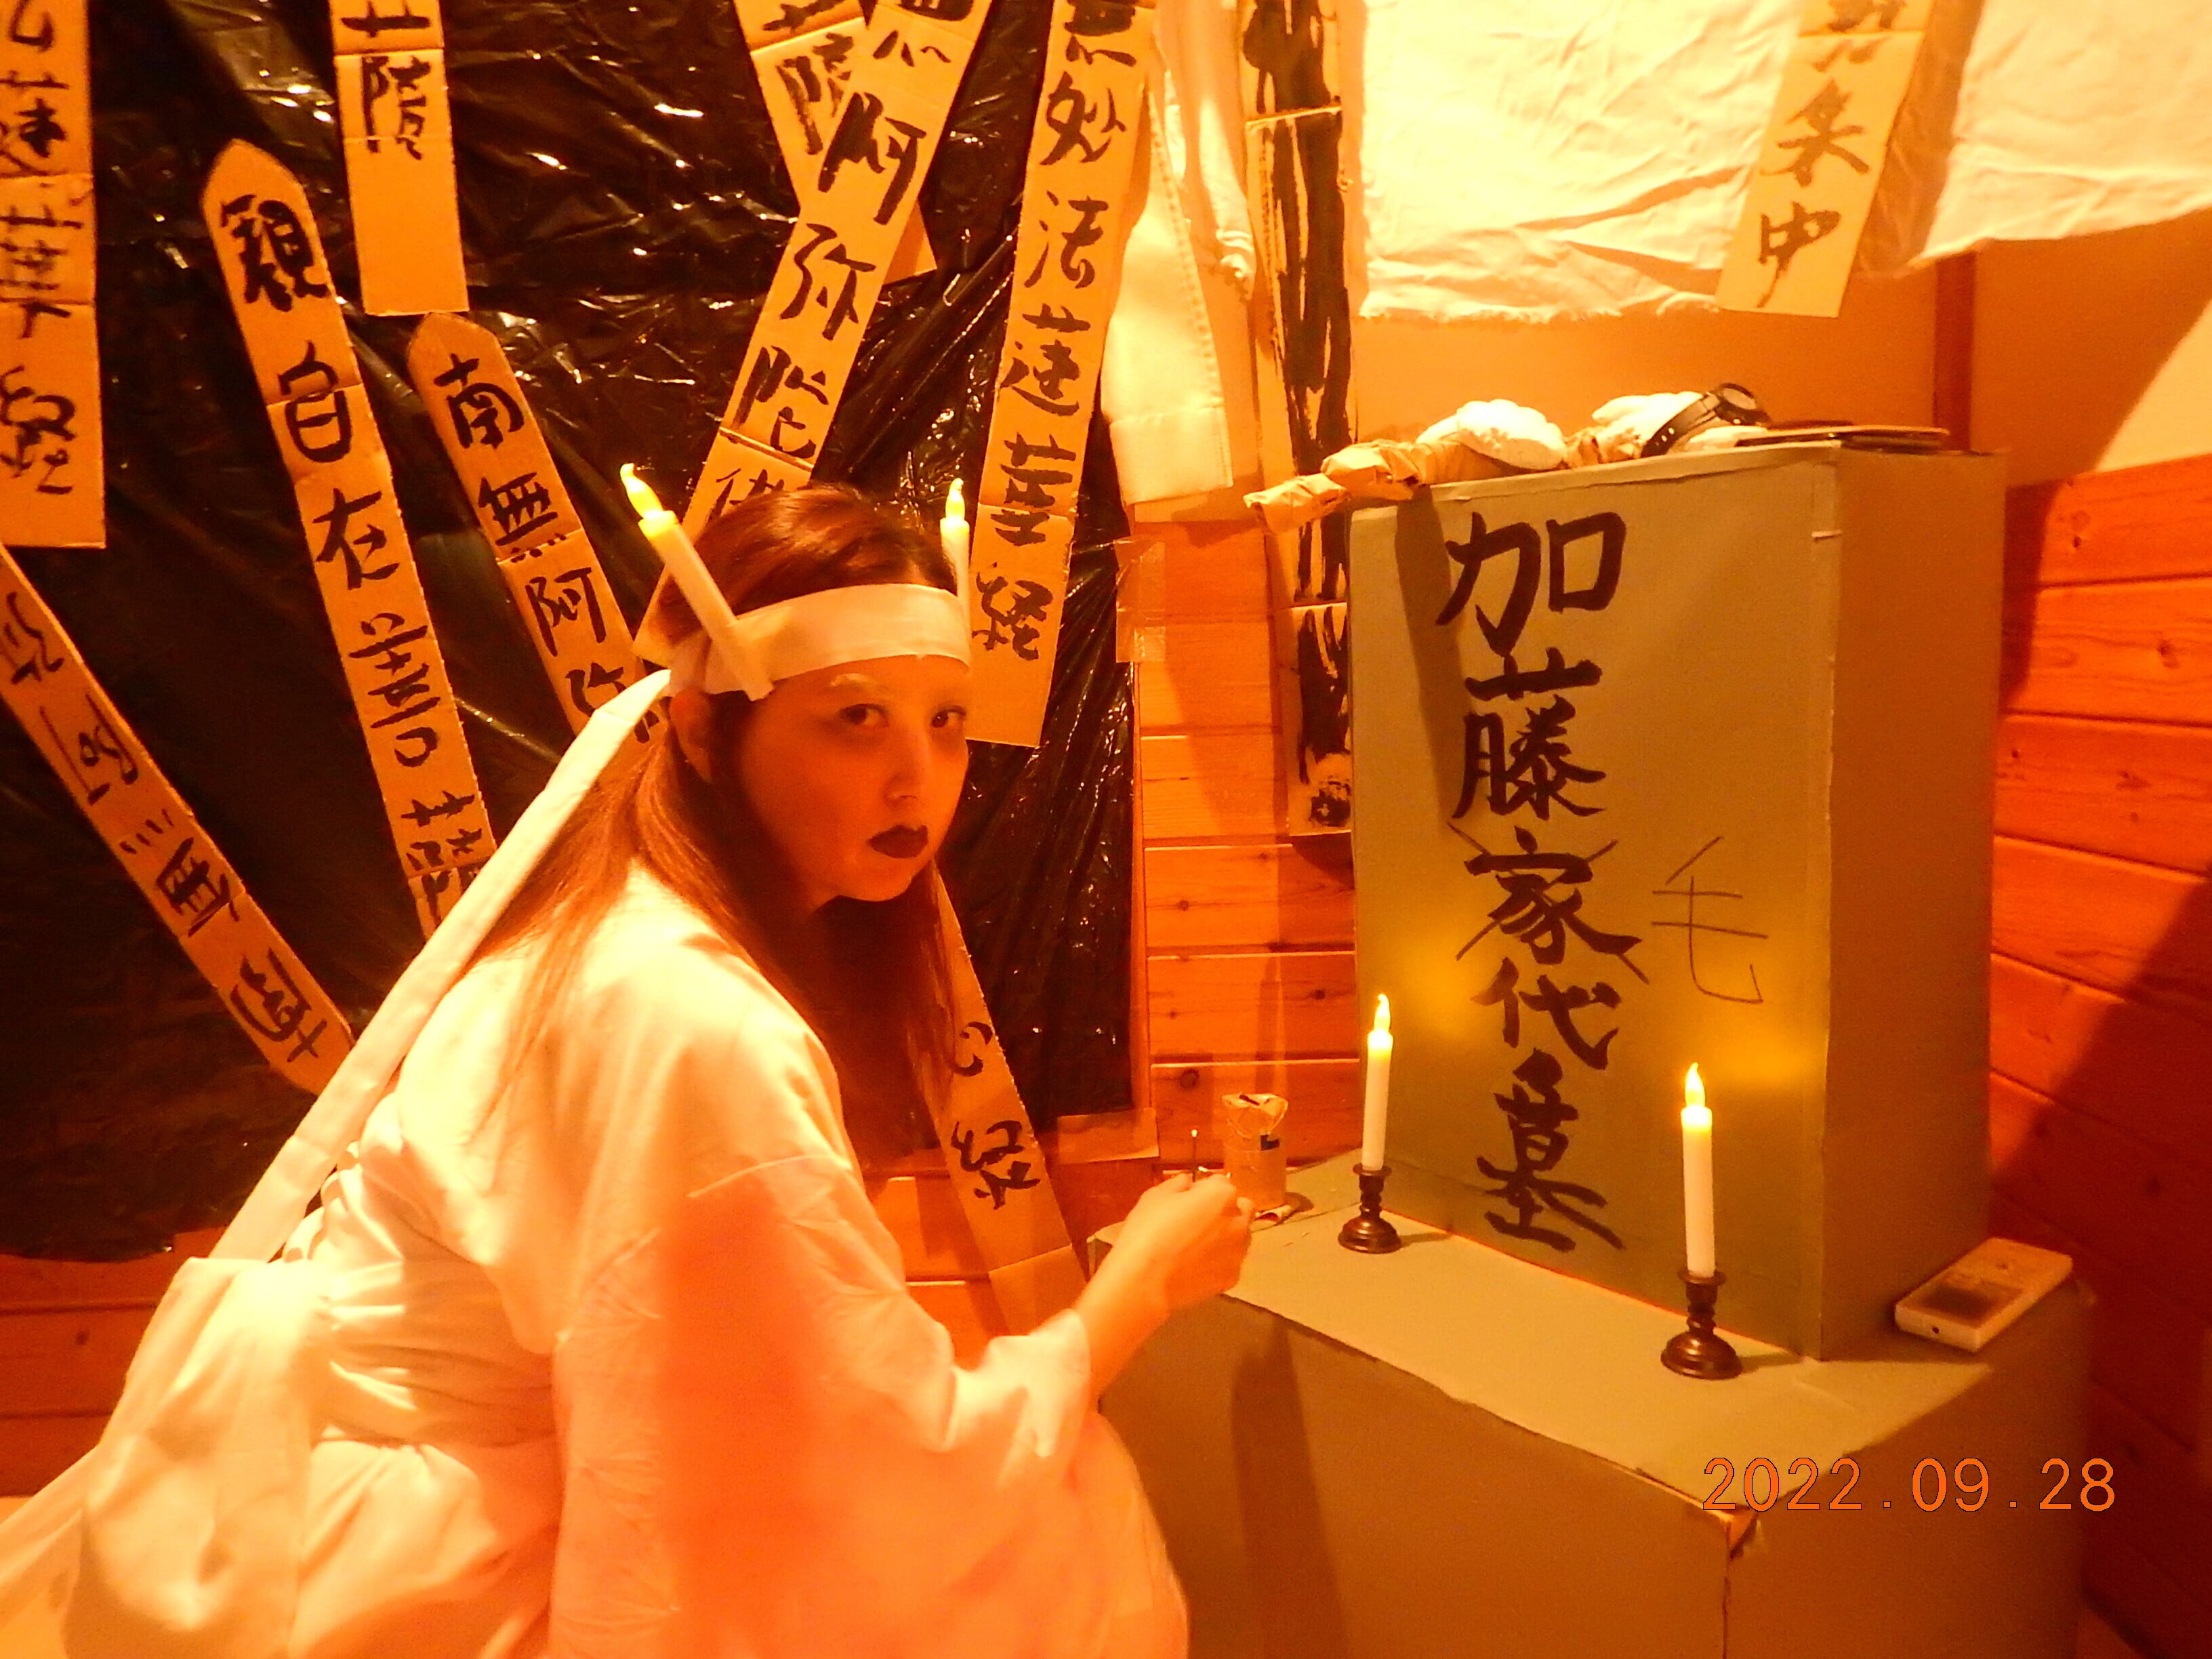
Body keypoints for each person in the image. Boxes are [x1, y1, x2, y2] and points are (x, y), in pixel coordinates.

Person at [30, 485, 1253, 1658]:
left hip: (304, 1487)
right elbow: (869, 1461)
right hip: (409, 1548)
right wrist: (1133, 1290)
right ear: (707, 728)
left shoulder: (617, 926)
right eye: (855, 718)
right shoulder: (691, 1018)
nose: (915, 781)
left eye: (945, 721)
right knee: (1052, 1531)